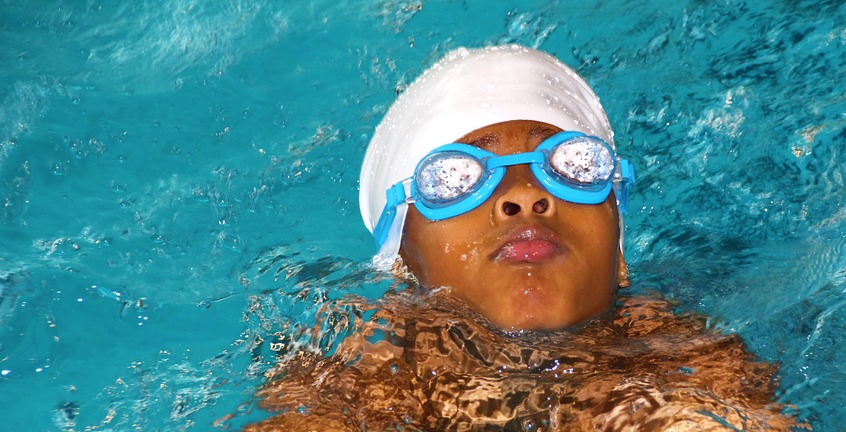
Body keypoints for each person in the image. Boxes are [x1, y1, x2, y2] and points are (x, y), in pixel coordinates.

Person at [245, 45, 804, 431]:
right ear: (399, 259)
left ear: (620, 250)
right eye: (456, 178)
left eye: (571, 165)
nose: (524, 195)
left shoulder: (697, 363)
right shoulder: (343, 385)